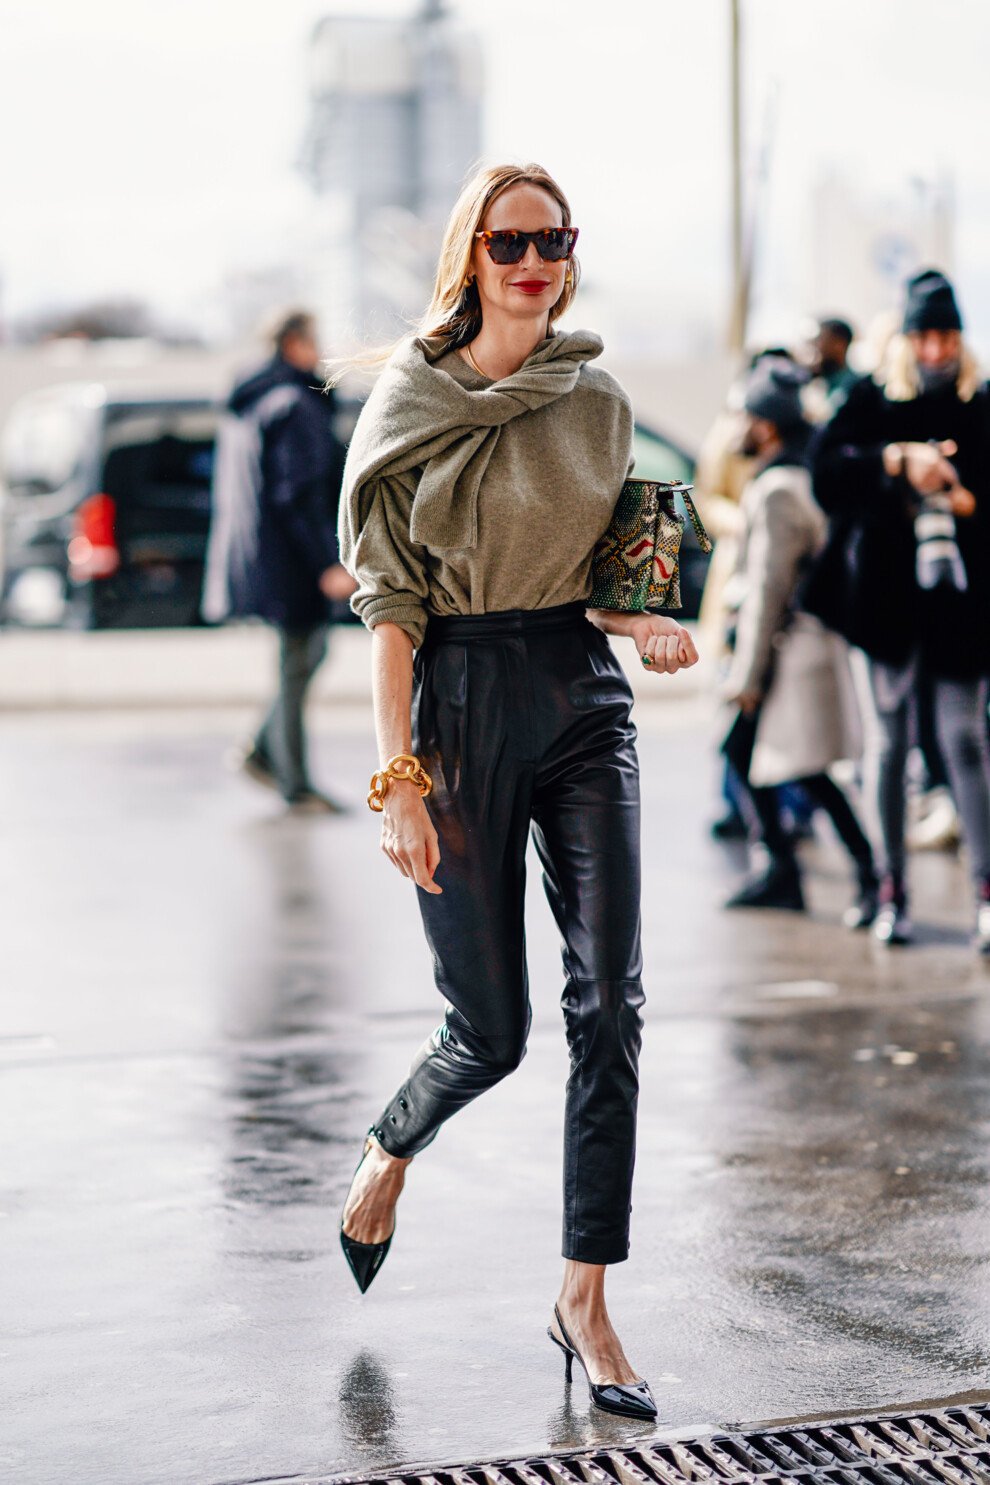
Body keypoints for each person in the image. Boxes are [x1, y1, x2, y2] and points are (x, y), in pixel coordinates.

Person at [335, 162, 700, 1420]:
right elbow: (391, 610)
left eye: (554, 241)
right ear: (471, 255)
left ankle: (585, 1298)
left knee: (612, 1008)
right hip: (458, 706)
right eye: (511, 243)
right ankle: (391, 1145)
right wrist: (398, 777)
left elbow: (612, 580)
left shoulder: (598, 399)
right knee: (491, 1032)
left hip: (581, 701)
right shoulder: (411, 402)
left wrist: (646, 622)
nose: (536, 262)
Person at [806, 269, 990, 950]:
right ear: (906, 338)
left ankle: (985, 891)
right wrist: (894, 461)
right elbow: (826, 473)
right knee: (886, 748)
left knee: (964, 742)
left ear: (961, 338)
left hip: (960, 603)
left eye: (946, 336)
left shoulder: (979, 403)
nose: (936, 350)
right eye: (924, 336)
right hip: (882, 602)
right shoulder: (872, 396)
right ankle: (891, 889)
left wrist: (966, 500)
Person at [720, 358, 878, 921]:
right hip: (805, 644)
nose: (739, 426)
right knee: (781, 761)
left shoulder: (778, 490)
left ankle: (856, 872)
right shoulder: (807, 472)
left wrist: (747, 677)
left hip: (792, 651)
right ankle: (795, 869)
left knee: (791, 763)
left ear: (766, 425)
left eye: (746, 416)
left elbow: (768, 590)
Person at [203, 309, 355, 812]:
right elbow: (298, 493)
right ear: (293, 343)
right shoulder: (294, 403)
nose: (321, 350)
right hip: (293, 559)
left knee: (303, 658)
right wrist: (327, 562)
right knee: (300, 660)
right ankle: (292, 781)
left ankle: (266, 754)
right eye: (315, 339)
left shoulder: (251, 402)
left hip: (266, 555)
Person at [803, 316, 858, 420]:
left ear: (839, 344)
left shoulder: (855, 387)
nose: (817, 347)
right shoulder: (816, 381)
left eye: (821, 340)